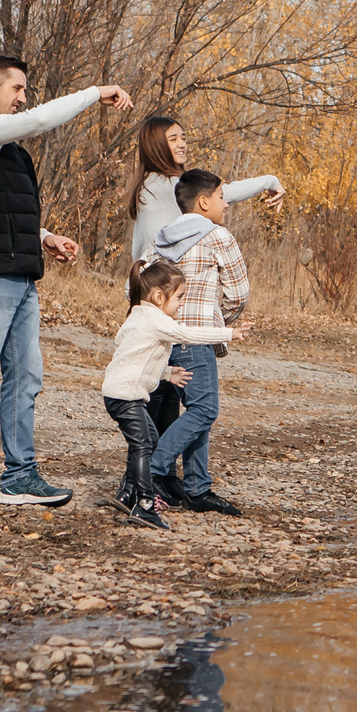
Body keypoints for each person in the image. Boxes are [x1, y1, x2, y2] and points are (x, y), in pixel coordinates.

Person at [0, 55, 131, 506]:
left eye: (25, 91)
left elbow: (4, 210)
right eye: (17, 89)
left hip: (20, 274)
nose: (23, 98)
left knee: (26, 376)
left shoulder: (8, 149)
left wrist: (46, 237)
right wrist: (95, 93)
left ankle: (19, 476)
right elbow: (37, 122)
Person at [99, 259, 242, 529]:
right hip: (127, 397)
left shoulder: (136, 316)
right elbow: (186, 333)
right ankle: (144, 505)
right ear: (158, 297)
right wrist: (228, 333)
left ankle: (127, 493)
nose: (181, 304)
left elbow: (133, 357)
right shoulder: (156, 319)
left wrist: (167, 373)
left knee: (149, 440)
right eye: (179, 297)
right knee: (144, 446)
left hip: (117, 393)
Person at [145, 169, 250, 515]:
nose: (225, 205)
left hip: (163, 336)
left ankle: (196, 488)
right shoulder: (219, 236)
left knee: (194, 411)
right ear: (204, 202)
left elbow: (142, 281)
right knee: (205, 409)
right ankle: (150, 470)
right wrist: (220, 321)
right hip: (196, 338)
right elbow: (238, 293)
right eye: (222, 198)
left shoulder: (161, 237)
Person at [128, 115, 284, 262]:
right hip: (162, 282)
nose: (182, 144)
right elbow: (222, 194)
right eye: (173, 139)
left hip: (148, 282)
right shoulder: (164, 185)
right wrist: (270, 181)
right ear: (156, 146)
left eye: (183, 138)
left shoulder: (146, 184)